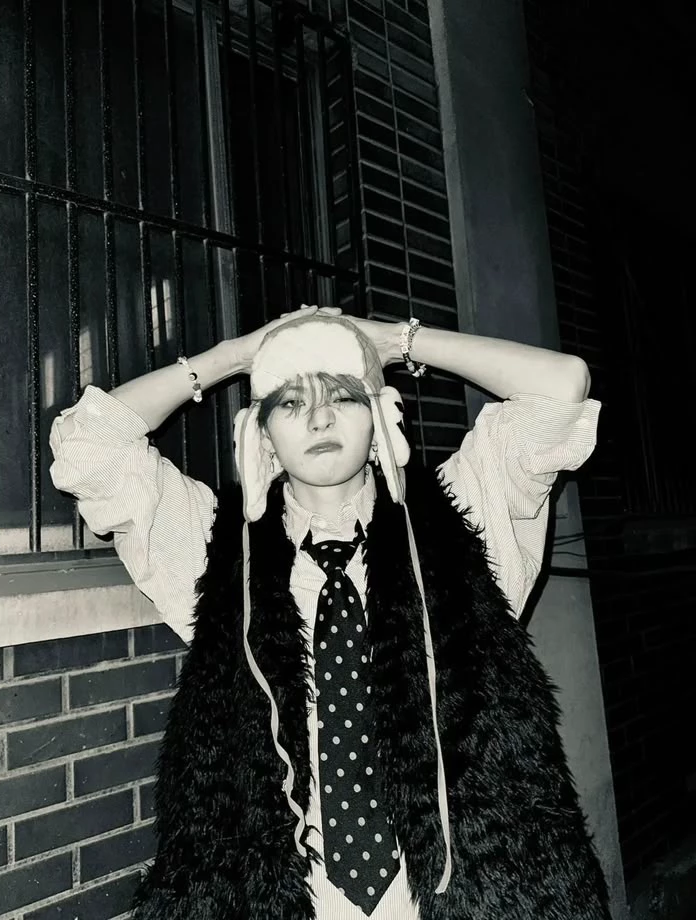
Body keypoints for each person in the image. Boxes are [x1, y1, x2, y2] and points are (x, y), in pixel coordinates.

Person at [50, 304, 611, 919]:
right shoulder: (214, 545)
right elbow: (90, 443)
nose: (319, 418)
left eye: (342, 396)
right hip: (288, 895)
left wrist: (393, 343)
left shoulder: (463, 516)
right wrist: (239, 356)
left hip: (466, 889)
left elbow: (562, 386)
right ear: (262, 433)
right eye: (290, 402)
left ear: (379, 415)